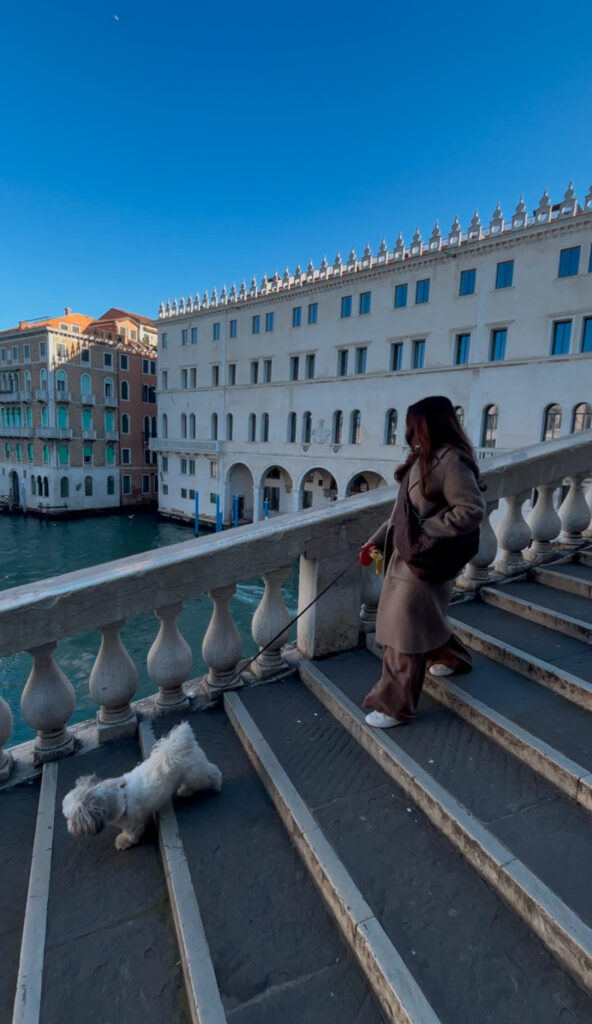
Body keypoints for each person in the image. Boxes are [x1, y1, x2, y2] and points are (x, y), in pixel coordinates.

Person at [360, 395, 486, 728]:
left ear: (429, 424)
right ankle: (454, 658)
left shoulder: (451, 461)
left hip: (428, 559)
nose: (408, 430)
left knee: (403, 630)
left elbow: (471, 510)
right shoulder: (421, 458)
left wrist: (426, 530)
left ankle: (394, 706)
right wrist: (375, 541)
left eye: (414, 423)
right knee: (421, 621)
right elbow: (400, 517)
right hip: (408, 558)